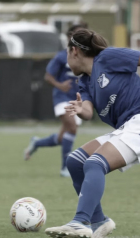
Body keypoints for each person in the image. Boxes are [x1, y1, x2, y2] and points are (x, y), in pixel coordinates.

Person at [44, 29, 140, 238]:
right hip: (128, 127)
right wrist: (79, 108)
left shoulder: (107, 57)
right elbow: (87, 112)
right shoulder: (84, 81)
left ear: (74, 51)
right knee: (75, 161)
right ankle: (99, 221)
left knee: (94, 163)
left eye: (67, 53)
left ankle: (80, 221)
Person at [23, 24, 87, 177]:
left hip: (78, 100)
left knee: (61, 138)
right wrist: (60, 85)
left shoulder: (87, 57)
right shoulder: (61, 56)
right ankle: (65, 168)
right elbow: (48, 76)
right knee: (72, 127)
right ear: (69, 39)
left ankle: (36, 143)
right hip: (62, 98)